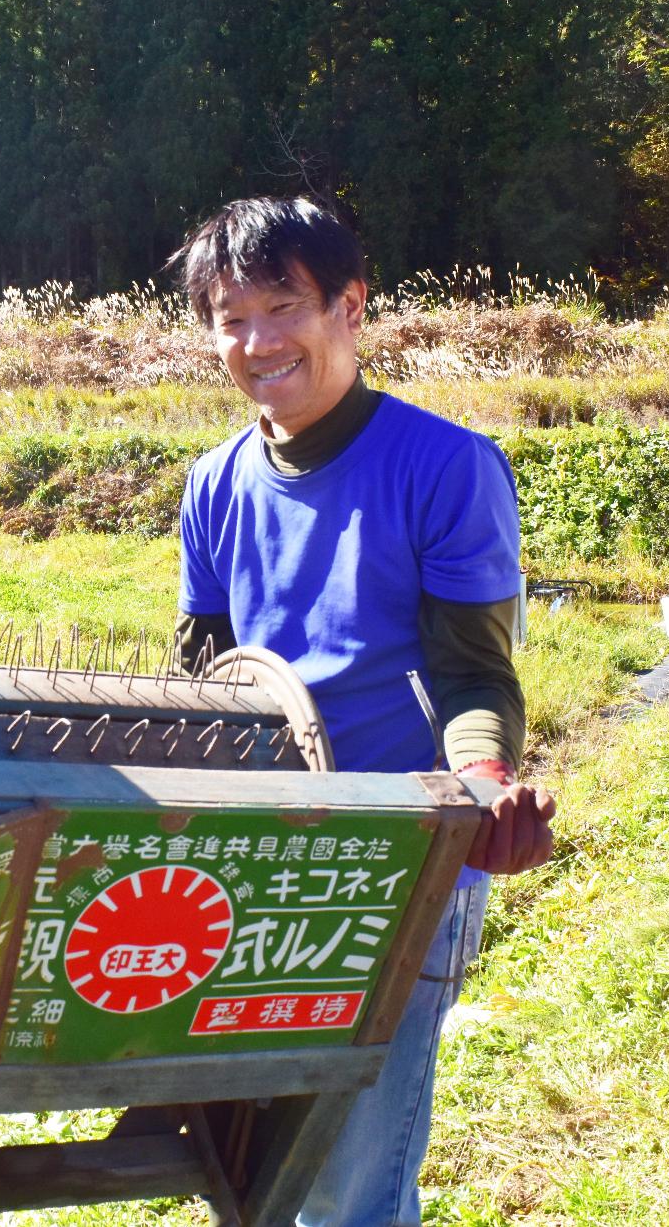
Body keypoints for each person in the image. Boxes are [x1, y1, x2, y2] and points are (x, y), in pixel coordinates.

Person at [170, 197, 556, 1226]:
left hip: (395, 851)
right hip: (248, 848)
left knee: (350, 1174)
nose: (255, 341)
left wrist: (479, 788)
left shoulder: (444, 468)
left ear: (349, 305)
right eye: (228, 315)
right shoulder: (213, 486)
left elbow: (474, 676)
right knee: (247, 1150)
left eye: (280, 305)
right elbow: (200, 679)